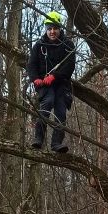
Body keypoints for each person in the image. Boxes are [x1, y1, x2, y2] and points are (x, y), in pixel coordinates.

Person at [27, 11, 76, 152]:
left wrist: (54, 76)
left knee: (60, 111)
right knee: (46, 103)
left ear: (59, 28)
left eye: (55, 28)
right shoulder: (39, 46)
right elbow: (31, 64)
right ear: (46, 30)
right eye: (49, 29)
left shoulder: (68, 45)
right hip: (44, 85)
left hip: (61, 84)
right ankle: (38, 139)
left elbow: (69, 66)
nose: (52, 31)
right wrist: (35, 78)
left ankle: (56, 144)